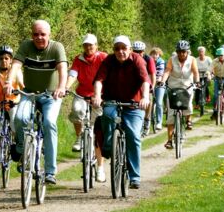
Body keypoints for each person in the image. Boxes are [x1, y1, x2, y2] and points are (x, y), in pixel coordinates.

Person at [4, 20, 67, 185]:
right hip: (29, 94)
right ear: (31, 35)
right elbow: (16, 65)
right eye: (35, 34)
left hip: (51, 96)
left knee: (49, 123)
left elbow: (62, 69)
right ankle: (20, 148)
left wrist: (61, 87)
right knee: (19, 118)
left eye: (43, 34)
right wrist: (9, 82)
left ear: (49, 35)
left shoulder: (56, 47)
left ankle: (50, 172)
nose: (39, 38)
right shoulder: (26, 46)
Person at [92, 35, 150, 190]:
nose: (120, 51)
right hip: (112, 101)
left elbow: (145, 80)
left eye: (124, 48)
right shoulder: (109, 60)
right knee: (107, 115)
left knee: (133, 136)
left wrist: (145, 97)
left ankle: (134, 177)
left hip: (134, 104)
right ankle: (109, 145)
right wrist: (97, 95)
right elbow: (99, 80)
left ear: (130, 49)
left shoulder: (137, 60)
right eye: (117, 48)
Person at [65, 33, 108, 182]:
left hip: (99, 96)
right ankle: (79, 137)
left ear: (96, 46)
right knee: (77, 111)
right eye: (86, 45)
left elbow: (108, 74)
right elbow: (73, 74)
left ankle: (100, 168)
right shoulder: (79, 59)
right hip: (82, 93)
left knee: (98, 132)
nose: (88, 48)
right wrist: (65, 87)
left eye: (91, 45)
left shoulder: (103, 57)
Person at [0, 45, 24, 177]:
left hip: (12, 104)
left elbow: (21, 86)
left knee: (16, 128)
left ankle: (21, 158)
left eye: (7, 58)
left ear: (11, 60)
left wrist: (20, 96)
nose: (4, 61)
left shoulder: (16, 72)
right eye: (1, 58)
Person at [159, 40, 199, 149]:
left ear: (187, 52)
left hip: (187, 86)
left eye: (184, 52)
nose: (181, 54)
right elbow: (167, 71)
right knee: (171, 114)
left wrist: (197, 81)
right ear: (177, 52)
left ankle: (188, 120)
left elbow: (195, 72)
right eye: (179, 52)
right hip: (173, 86)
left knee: (188, 104)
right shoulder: (172, 59)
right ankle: (169, 140)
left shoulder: (192, 60)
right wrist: (163, 81)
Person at [132, 41, 156, 136]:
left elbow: (152, 74)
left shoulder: (148, 59)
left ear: (143, 51)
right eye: (136, 51)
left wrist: (152, 86)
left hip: (147, 82)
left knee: (149, 100)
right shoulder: (130, 58)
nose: (138, 53)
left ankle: (147, 119)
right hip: (134, 84)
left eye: (140, 51)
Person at [150, 47, 165, 130]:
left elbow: (160, 74)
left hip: (159, 84)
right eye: (153, 54)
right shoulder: (148, 61)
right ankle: (147, 122)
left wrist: (158, 80)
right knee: (149, 103)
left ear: (159, 55)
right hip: (151, 83)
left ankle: (159, 122)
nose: (155, 56)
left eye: (156, 54)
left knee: (159, 102)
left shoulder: (161, 62)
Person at [195, 46, 212, 115]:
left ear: (204, 52)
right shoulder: (196, 60)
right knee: (197, 88)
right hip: (198, 75)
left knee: (206, 86)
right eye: (200, 51)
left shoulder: (208, 59)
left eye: (202, 51)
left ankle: (207, 97)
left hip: (206, 75)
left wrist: (210, 73)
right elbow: (194, 68)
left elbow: (212, 66)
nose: (201, 53)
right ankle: (196, 103)